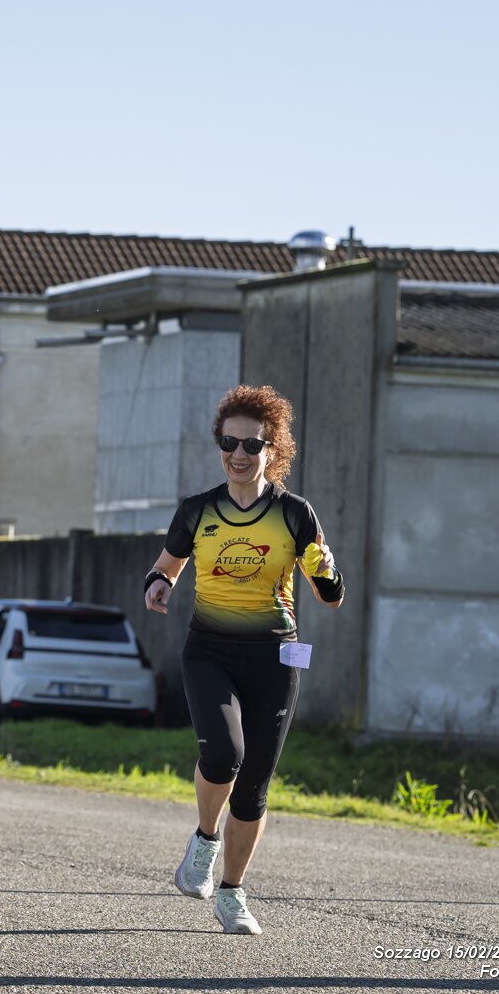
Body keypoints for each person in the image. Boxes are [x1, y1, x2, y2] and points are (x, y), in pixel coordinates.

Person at [143, 384, 343, 936]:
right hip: (209, 650)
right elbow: (166, 566)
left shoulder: (295, 513)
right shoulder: (197, 510)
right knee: (224, 754)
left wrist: (325, 569)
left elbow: (330, 596)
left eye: (252, 445)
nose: (239, 454)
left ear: (272, 450)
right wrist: (157, 584)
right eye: (229, 443)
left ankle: (231, 893)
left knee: (254, 787)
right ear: (219, 446)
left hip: (277, 657)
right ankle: (205, 841)